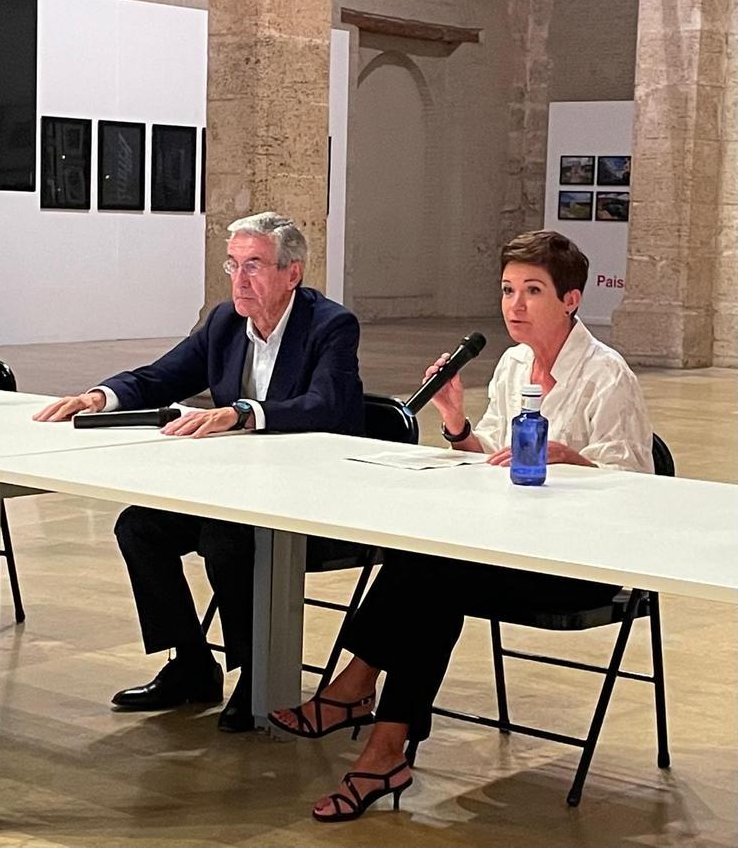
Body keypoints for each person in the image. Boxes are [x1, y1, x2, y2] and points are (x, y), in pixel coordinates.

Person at [269, 229, 654, 822]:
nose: (515, 306)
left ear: (570, 299)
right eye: (507, 290)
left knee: (431, 574)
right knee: (421, 558)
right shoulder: (512, 363)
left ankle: (360, 704)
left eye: (532, 291)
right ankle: (381, 742)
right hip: (509, 545)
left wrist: (567, 456)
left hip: (578, 564)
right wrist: (454, 421)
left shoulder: (607, 374)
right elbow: (490, 459)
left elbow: (638, 484)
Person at [34, 212, 364, 732]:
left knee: (226, 537)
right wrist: (101, 396)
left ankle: (257, 673)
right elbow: (163, 375)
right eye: (233, 265)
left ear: (292, 273)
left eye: (254, 265)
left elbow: (326, 404)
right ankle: (191, 663)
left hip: (310, 493)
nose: (240, 279)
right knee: (139, 526)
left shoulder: (330, 325)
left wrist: (243, 412)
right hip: (236, 487)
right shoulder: (224, 322)